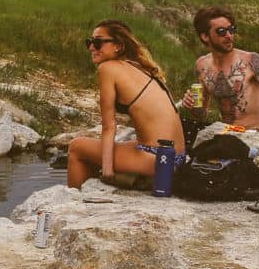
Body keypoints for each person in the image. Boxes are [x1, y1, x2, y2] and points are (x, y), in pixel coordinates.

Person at [66, 20, 186, 188]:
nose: (91, 48)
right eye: (89, 42)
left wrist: (107, 168)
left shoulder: (107, 68)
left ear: (118, 46)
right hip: (176, 156)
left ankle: (73, 205)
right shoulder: (137, 66)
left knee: (76, 147)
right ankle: (89, 193)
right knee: (112, 147)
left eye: (98, 42)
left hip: (158, 158)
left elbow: (109, 126)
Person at [188, 6, 259, 134]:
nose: (229, 35)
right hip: (225, 133)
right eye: (221, 31)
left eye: (231, 30)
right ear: (205, 36)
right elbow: (201, 115)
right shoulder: (201, 65)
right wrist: (192, 105)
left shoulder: (251, 60)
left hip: (253, 134)